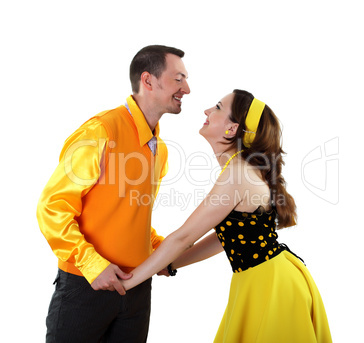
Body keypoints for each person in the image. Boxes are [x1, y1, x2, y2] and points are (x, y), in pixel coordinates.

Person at [122, 89, 332, 342]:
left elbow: (184, 237)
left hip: (270, 285)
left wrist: (127, 283)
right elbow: (226, 238)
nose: (207, 111)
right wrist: (171, 264)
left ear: (232, 129)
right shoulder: (243, 169)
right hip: (266, 279)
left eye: (218, 107)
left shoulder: (236, 174)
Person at [36, 45, 190, 342]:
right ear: (148, 80)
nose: (187, 88)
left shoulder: (161, 150)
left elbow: (132, 215)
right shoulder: (100, 132)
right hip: (85, 288)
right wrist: (93, 265)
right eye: (178, 78)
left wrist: (162, 250)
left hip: (136, 291)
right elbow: (52, 207)